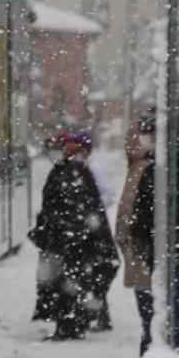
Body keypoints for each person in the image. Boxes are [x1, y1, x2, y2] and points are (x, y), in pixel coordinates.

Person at [115, 108, 179, 356]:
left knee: (156, 307)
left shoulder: (155, 167)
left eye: (147, 132)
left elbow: (140, 212)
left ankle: (157, 355)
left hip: (156, 247)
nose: (142, 137)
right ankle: (174, 353)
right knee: (175, 303)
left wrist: (136, 239)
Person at [28, 131, 120, 340]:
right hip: (73, 238)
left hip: (70, 240)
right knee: (77, 279)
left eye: (70, 148)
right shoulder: (75, 171)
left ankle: (70, 325)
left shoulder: (73, 172)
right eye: (65, 147)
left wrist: (63, 231)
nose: (64, 151)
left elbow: (73, 207)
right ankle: (78, 320)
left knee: (70, 280)